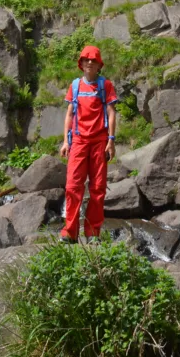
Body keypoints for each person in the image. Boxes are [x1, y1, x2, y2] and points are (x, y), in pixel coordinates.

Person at [59, 45, 118, 243]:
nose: (90, 63)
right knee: (72, 187)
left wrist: (111, 141)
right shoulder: (75, 86)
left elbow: (111, 112)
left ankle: (92, 234)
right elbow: (69, 114)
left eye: (94, 60)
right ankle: (70, 233)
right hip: (78, 142)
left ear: (99, 64)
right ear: (81, 63)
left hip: (99, 142)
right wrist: (66, 142)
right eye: (86, 59)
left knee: (98, 188)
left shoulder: (105, 85)